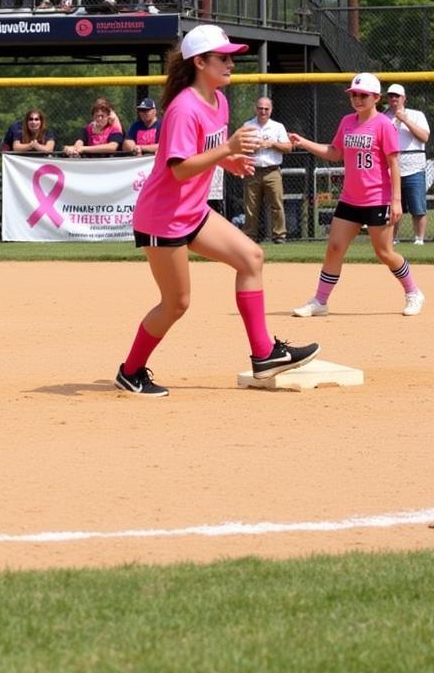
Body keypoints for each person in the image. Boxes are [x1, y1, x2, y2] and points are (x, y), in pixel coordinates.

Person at [115, 24, 320, 397]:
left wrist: (228, 161)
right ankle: (130, 372)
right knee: (176, 303)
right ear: (199, 62)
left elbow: (200, 153)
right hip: (163, 216)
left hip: (192, 211)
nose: (231, 63)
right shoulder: (183, 107)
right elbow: (178, 168)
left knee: (251, 257)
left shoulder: (220, 102)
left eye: (231, 57)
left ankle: (263, 355)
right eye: (222, 58)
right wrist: (226, 151)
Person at [290, 73, 424, 318]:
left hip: (377, 198)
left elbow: (393, 163)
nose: (358, 99)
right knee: (334, 247)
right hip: (350, 197)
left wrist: (395, 201)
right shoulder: (347, 122)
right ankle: (320, 300)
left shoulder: (384, 124)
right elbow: (334, 152)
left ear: (376, 98)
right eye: (354, 94)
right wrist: (304, 142)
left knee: (384, 252)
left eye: (364, 95)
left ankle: (413, 292)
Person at [241, 96, 292, 244]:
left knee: (277, 204)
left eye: (266, 109)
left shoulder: (277, 127)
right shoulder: (247, 126)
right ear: (255, 109)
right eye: (260, 108)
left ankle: (279, 236)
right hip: (253, 170)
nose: (263, 111)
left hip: (272, 171)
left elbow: (288, 147)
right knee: (251, 206)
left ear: (271, 110)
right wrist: (253, 147)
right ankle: (251, 236)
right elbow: (240, 147)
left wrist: (271, 144)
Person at [385, 83, 429, 244]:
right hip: (391, 168)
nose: (394, 99)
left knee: (418, 207)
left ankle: (419, 239)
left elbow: (424, 137)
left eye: (397, 96)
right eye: (391, 96)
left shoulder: (416, 115)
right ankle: (392, 239)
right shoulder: (383, 117)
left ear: (404, 98)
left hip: (414, 168)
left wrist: (405, 120)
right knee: (394, 207)